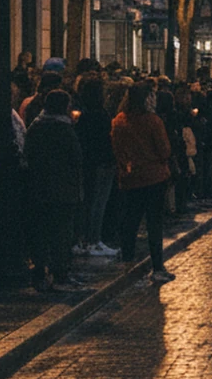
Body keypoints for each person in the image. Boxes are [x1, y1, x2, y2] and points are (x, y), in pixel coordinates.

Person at [112, 80, 175, 284]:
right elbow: (164, 150)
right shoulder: (153, 121)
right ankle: (157, 267)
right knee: (154, 223)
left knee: (130, 221)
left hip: (130, 177)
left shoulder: (119, 121)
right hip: (154, 176)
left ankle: (127, 263)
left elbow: (117, 149)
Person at [25, 89, 84, 291]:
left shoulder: (36, 126)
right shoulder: (64, 129)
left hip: (39, 187)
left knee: (41, 231)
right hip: (62, 189)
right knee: (61, 233)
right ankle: (60, 273)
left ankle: (40, 271)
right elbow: (76, 157)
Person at [74, 77, 118, 258]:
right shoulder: (99, 114)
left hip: (90, 163)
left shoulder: (84, 114)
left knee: (89, 202)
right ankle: (93, 240)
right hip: (101, 162)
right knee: (97, 203)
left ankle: (86, 239)